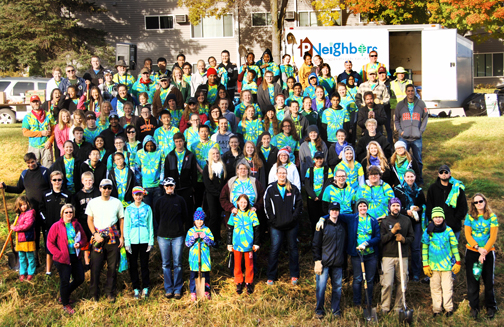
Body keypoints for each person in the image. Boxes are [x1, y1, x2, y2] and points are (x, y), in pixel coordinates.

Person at [1, 153, 50, 262]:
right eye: (28, 163)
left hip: (44, 207)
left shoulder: (44, 171)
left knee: (47, 232)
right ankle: (36, 257)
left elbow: (51, 187)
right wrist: (6, 187)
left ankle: (49, 257)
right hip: (31, 210)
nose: (31, 164)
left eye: (32, 162)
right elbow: (19, 189)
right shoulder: (24, 174)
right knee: (34, 233)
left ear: (36, 160)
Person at [86, 179, 124, 302]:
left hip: (113, 237)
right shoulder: (93, 202)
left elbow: (121, 220)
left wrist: (122, 237)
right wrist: (94, 234)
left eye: (109, 188)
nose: (106, 190)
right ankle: (94, 294)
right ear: (100, 188)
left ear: (111, 189)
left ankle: (109, 292)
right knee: (95, 267)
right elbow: (89, 220)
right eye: (104, 187)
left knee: (112, 267)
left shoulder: (117, 202)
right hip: (98, 237)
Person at [264, 166, 303, 286]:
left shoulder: (294, 189)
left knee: (293, 249)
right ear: (276, 174)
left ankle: (294, 275)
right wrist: (273, 221)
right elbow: (267, 207)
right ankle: (271, 276)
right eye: (280, 173)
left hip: (291, 225)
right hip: (276, 226)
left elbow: (299, 205)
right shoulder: (270, 189)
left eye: (284, 173)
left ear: (286, 174)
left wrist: (293, 219)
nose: (282, 175)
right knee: (275, 249)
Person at [47, 204, 87, 314]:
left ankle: (64, 295)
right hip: (62, 258)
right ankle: (65, 304)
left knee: (80, 278)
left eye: (70, 212)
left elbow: (83, 238)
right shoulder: (56, 226)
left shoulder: (77, 224)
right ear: (62, 213)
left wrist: (80, 244)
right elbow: (50, 243)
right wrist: (59, 254)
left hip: (75, 256)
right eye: (66, 212)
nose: (69, 214)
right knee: (64, 280)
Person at [421, 207, 460, 318]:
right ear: (432, 218)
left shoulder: (448, 231)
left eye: (440, 217)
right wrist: (425, 264)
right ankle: (437, 309)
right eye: (435, 217)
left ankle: (448, 308)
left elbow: (454, 246)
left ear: (443, 218)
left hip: (447, 265)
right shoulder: (428, 231)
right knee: (435, 287)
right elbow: (424, 248)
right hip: (433, 265)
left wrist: (458, 261)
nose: (438, 219)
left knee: (447, 287)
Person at [464, 193, 498, 319]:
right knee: (473, 281)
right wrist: (478, 249)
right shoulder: (469, 217)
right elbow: (468, 235)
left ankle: (490, 306)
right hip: (473, 252)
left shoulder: (492, 217)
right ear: (473, 205)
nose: (478, 204)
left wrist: (485, 251)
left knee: (488, 281)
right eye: (475, 202)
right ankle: (474, 307)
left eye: (480, 201)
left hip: (488, 253)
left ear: (485, 201)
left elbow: (493, 236)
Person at [155, 177, 189, 299]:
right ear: (164, 187)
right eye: (167, 186)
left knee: (178, 264)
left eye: (171, 185)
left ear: (174, 186)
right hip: (163, 236)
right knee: (165, 264)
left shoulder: (180, 200)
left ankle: (178, 288)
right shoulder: (159, 201)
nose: (169, 188)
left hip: (177, 236)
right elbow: (157, 217)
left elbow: (185, 216)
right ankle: (168, 288)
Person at [312, 202, 347, 319]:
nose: (334, 212)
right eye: (332, 210)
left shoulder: (343, 225)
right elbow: (316, 244)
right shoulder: (322, 225)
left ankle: (335, 310)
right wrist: (317, 260)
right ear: (329, 211)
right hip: (324, 262)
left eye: (337, 210)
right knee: (321, 288)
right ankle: (319, 310)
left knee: (337, 287)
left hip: (338, 263)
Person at [379, 197, 414, 314]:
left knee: (402, 282)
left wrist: (404, 239)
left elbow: (412, 238)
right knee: (387, 283)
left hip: (402, 256)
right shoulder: (384, 221)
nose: (395, 208)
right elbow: (382, 239)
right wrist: (392, 232)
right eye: (393, 205)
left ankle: (398, 307)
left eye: (397, 205)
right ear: (390, 207)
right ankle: (385, 307)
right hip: (388, 256)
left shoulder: (406, 220)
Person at [393, 169, 426, 281]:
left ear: (415, 177)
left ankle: (416, 273)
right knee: (403, 246)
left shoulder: (419, 191)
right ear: (404, 178)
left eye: (411, 176)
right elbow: (395, 206)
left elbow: (423, 206)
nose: (410, 179)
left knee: (416, 248)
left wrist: (418, 209)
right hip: (403, 221)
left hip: (416, 222)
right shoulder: (398, 190)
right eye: (407, 177)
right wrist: (406, 211)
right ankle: (403, 273)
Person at [394, 84, 428, 184]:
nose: (410, 93)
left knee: (418, 159)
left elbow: (425, 117)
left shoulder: (421, 104)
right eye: (408, 91)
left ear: (415, 92)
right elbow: (396, 119)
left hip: (417, 137)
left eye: (412, 91)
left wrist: (421, 131)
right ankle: (401, 179)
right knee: (401, 158)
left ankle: (418, 179)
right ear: (406, 92)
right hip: (404, 137)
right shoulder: (400, 105)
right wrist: (400, 131)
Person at [124, 186, 154, 299]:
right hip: (132, 240)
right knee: (133, 265)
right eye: (136, 195)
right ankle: (136, 287)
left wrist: (151, 241)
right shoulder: (128, 209)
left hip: (145, 239)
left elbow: (150, 225)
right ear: (133, 195)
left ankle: (145, 286)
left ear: (143, 195)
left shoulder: (147, 208)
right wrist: (127, 241)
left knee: (144, 264)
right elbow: (126, 226)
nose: (138, 197)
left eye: (140, 195)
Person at [227, 194, 260, 295]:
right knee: (237, 264)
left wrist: (256, 243)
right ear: (237, 202)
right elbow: (229, 229)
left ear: (248, 203)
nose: (243, 204)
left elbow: (257, 229)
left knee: (249, 264)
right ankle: (238, 282)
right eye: (241, 202)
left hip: (248, 245)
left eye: (245, 202)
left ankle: (249, 282)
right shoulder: (234, 214)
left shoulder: (252, 213)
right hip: (237, 244)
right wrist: (229, 243)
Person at [426, 165, 468, 241]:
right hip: (437, 226)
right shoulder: (432, 188)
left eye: (446, 172)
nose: (444, 174)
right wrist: (431, 219)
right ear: (438, 174)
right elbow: (429, 205)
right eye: (441, 172)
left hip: (454, 227)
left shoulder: (457, 188)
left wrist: (455, 220)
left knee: (453, 250)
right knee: (438, 250)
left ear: (450, 173)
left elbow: (463, 207)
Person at [40, 170, 71, 276]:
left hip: (64, 226)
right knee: (50, 248)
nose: (57, 182)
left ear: (62, 181)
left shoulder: (67, 195)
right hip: (50, 226)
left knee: (66, 247)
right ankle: (48, 271)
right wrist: (46, 221)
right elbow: (41, 209)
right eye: (54, 180)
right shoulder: (45, 195)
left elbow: (71, 210)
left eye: (59, 180)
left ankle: (67, 270)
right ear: (51, 181)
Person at [164, 133, 198, 224]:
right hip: (174, 188)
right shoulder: (170, 156)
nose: (179, 143)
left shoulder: (190, 155)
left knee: (187, 210)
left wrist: (193, 187)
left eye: (180, 141)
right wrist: (167, 187)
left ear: (184, 141)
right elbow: (166, 173)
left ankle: (188, 232)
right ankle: (177, 232)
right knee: (175, 211)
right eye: (177, 142)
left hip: (186, 187)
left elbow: (194, 172)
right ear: (174, 142)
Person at [71, 171, 100, 269]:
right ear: (82, 181)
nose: (88, 182)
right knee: (85, 241)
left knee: (95, 241)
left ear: (93, 181)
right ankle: (87, 262)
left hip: (95, 220)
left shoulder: (97, 193)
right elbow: (76, 210)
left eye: (90, 180)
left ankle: (95, 261)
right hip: (83, 221)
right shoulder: (78, 195)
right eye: (86, 180)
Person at [185, 208, 214, 301]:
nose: (199, 222)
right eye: (197, 219)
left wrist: (205, 237)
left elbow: (212, 243)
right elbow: (187, 244)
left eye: (201, 219)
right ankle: (193, 292)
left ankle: (206, 291)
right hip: (194, 257)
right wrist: (193, 238)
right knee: (194, 274)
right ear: (194, 220)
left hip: (204, 257)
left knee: (205, 274)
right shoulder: (190, 231)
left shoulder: (207, 230)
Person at [22, 95, 56, 168]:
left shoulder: (48, 115)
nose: (36, 103)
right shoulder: (28, 117)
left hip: (46, 146)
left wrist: (50, 141)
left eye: (37, 101)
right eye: (33, 102)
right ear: (30, 104)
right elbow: (25, 132)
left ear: (40, 102)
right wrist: (41, 133)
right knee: (33, 169)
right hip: (33, 147)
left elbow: (54, 130)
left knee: (48, 169)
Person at [203, 148, 228, 245]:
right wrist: (217, 193)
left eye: (217, 153)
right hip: (211, 196)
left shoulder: (223, 166)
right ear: (210, 155)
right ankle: (210, 239)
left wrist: (222, 194)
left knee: (219, 217)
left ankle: (218, 238)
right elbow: (208, 184)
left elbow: (224, 182)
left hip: (221, 196)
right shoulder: (207, 167)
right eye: (213, 154)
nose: (216, 155)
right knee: (213, 217)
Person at [304, 152, 333, 233]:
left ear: (323, 159)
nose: (319, 160)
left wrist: (320, 196)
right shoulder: (310, 170)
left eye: (321, 158)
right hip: (312, 199)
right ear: (314, 159)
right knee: (313, 219)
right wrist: (313, 196)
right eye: (317, 158)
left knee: (323, 218)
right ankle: (314, 238)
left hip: (323, 198)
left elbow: (328, 183)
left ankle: (323, 238)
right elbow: (307, 184)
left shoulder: (327, 169)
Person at [11, 196, 36, 281]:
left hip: (28, 238)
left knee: (30, 256)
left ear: (28, 204)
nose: (23, 207)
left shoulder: (30, 213)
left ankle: (31, 272)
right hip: (20, 240)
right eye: (21, 205)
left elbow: (27, 226)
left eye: (25, 204)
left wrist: (15, 228)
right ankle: (22, 272)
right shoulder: (19, 215)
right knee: (21, 256)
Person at [135, 135, 164, 208]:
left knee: (157, 208)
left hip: (157, 185)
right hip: (145, 186)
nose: (150, 147)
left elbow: (163, 167)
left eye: (152, 145)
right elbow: (137, 169)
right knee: (147, 207)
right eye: (147, 146)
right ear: (144, 145)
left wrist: (161, 181)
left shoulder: (160, 152)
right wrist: (139, 184)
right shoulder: (139, 153)